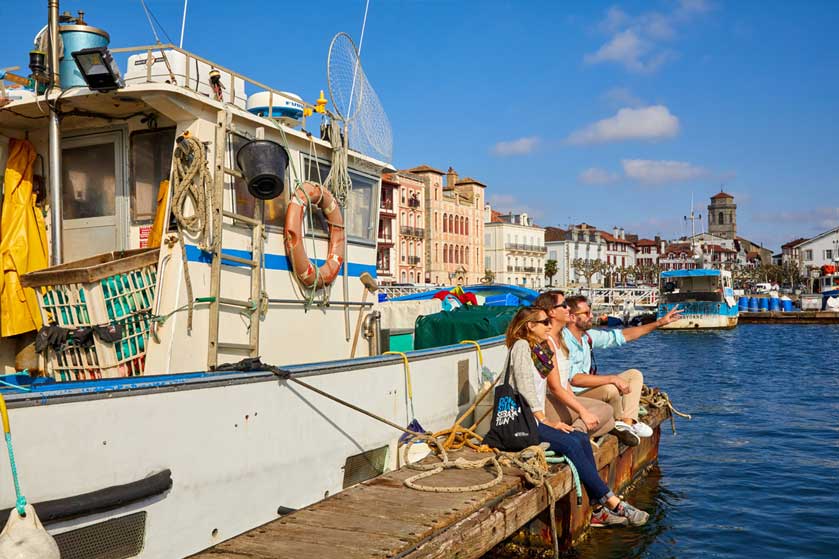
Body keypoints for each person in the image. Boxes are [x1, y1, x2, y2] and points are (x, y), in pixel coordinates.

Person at [504, 306, 649, 527]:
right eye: (544, 322)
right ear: (530, 326)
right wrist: (546, 420)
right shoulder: (522, 346)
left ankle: (598, 510)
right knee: (571, 444)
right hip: (521, 422)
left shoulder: (538, 348)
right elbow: (524, 389)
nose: (548, 325)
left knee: (579, 438)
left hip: (532, 420)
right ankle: (614, 503)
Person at [563, 295, 683, 443]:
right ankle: (618, 423)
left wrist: (659, 323)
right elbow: (574, 379)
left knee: (634, 375)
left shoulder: (587, 337)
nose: (592, 316)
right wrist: (612, 378)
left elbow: (622, 335)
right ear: (573, 317)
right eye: (587, 313)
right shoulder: (563, 341)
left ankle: (627, 423)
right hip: (574, 396)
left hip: (588, 391)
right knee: (610, 389)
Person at [531, 291, 614, 439]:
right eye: (563, 306)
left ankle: (575, 430)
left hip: (561, 400)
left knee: (610, 423)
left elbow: (565, 382)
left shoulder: (561, 339)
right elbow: (555, 387)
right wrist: (582, 411)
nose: (568, 308)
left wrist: (577, 404)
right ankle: (575, 434)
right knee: (605, 410)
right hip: (549, 403)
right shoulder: (547, 343)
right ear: (552, 312)